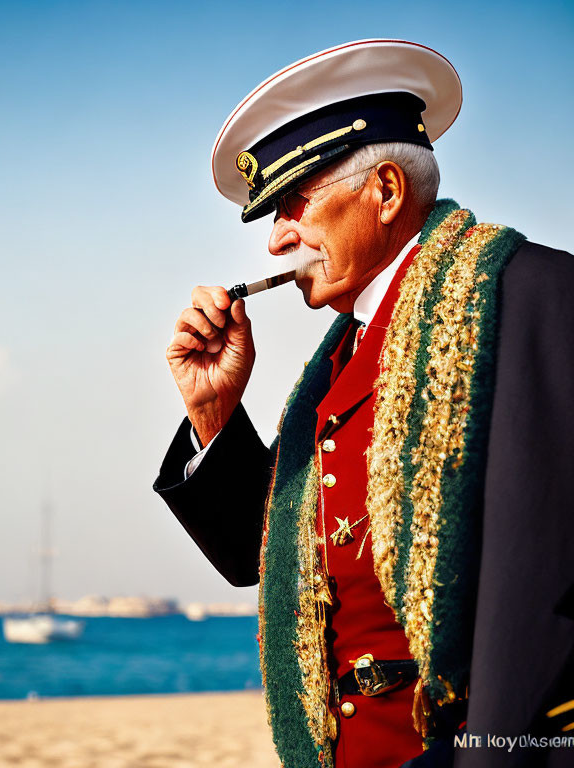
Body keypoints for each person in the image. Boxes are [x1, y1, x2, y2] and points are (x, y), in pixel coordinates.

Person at [153, 39, 574, 768]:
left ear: (383, 190)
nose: (279, 238)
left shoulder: (532, 296)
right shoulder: (336, 362)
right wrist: (214, 415)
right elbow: (265, 561)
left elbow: (549, 595)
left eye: (294, 203)